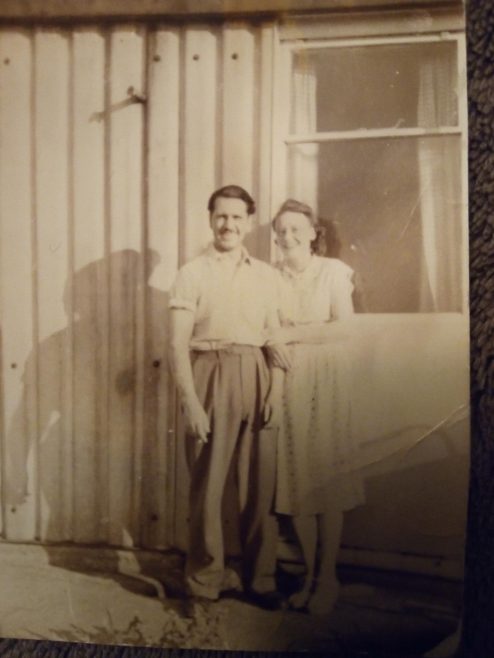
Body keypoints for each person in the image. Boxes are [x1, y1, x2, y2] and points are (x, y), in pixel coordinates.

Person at [168, 185, 286, 609]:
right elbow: (178, 345)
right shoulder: (192, 273)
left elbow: (275, 338)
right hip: (209, 373)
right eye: (221, 216)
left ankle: (261, 580)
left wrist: (276, 387)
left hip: (256, 372)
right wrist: (192, 403)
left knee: (260, 485)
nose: (228, 225)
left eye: (237, 217)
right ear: (210, 218)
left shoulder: (266, 275)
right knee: (208, 486)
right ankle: (204, 581)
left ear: (249, 222)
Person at [266, 199, 365, 616]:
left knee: (328, 483)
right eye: (281, 230)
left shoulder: (333, 272)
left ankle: (328, 579)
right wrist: (274, 340)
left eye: (296, 229)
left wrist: (291, 335)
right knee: (297, 484)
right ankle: (310, 577)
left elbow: (344, 329)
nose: (288, 236)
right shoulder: (269, 278)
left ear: (312, 233)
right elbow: (266, 330)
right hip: (289, 385)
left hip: (327, 383)